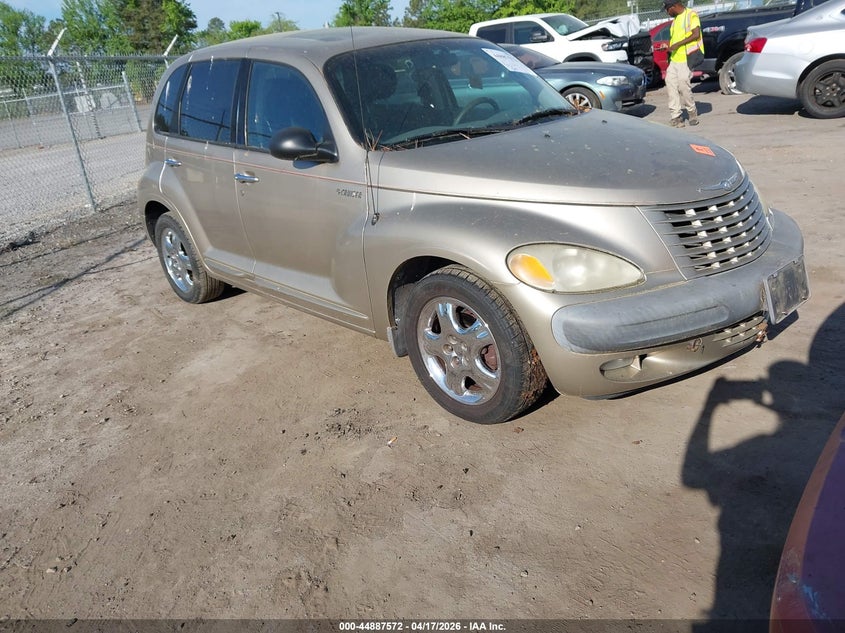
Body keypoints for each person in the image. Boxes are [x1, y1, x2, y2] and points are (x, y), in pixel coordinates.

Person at [663, 0, 704, 127]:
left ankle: (692, 113)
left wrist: (676, 45)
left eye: (667, 9)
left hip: (687, 58)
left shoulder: (691, 15)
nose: (666, 12)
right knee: (670, 84)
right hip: (674, 59)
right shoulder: (674, 21)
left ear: (673, 7)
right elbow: (675, 40)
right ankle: (676, 116)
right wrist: (669, 47)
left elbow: (696, 34)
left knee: (683, 85)